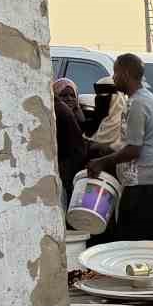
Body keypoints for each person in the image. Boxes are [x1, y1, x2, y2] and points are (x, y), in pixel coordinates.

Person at [87, 53, 153, 242]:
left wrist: (102, 162)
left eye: (115, 73)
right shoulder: (149, 98)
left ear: (125, 74)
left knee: (133, 242)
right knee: (151, 240)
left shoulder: (138, 103)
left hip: (144, 186)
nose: (114, 78)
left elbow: (134, 150)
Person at [53, 76, 88, 207]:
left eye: (72, 95)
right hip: (65, 169)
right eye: (64, 95)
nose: (69, 99)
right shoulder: (60, 115)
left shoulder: (81, 115)